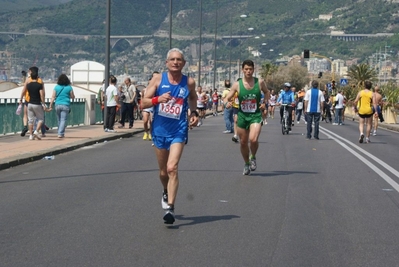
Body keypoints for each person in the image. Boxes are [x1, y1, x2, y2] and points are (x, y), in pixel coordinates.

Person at [141, 48, 199, 224]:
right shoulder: (158, 79)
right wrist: (157, 100)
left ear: (184, 63)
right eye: (172, 59)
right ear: (167, 63)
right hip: (159, 131)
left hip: (178, 131)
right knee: (163, 171)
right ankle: (165, 190)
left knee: (172, 167)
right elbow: (143, 102)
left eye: (179, 59)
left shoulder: (189, 82)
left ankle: (170, 208)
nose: (175, 62)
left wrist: (194, 112)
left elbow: (193, 98)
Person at [224, 60, 269, 175]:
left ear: (254, 70)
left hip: (255, 115)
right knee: (243, 142)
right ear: (242, 70)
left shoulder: (259, 82)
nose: (248, 71)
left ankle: (253, 157)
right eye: (246, 69)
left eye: (250, 69)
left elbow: (267, 92)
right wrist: (226, 103)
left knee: (253, 139)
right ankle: (246, 163)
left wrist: (265, 102)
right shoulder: (237, 85)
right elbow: (226, 98)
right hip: (242, 116)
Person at [18, 68, 45, 140]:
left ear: (31, 73)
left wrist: (20, 99)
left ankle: (30, 134)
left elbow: (23, 90)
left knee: (29, 118)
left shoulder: (28, 82)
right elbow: (42, 94)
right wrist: (44, 103)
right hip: (37, 102)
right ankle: (37, 131)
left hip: (28, 101)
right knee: (40, 118)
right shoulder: (40, 82)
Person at [49, 74, 75, 138]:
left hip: (57, 104)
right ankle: (60, 133)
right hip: (66, 105)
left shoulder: (56, 87)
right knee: (63, 119)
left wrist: (50, 105)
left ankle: (60, 132)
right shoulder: (69, 87)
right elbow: (72, 96)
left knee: (59, 119)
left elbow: (53, 97)